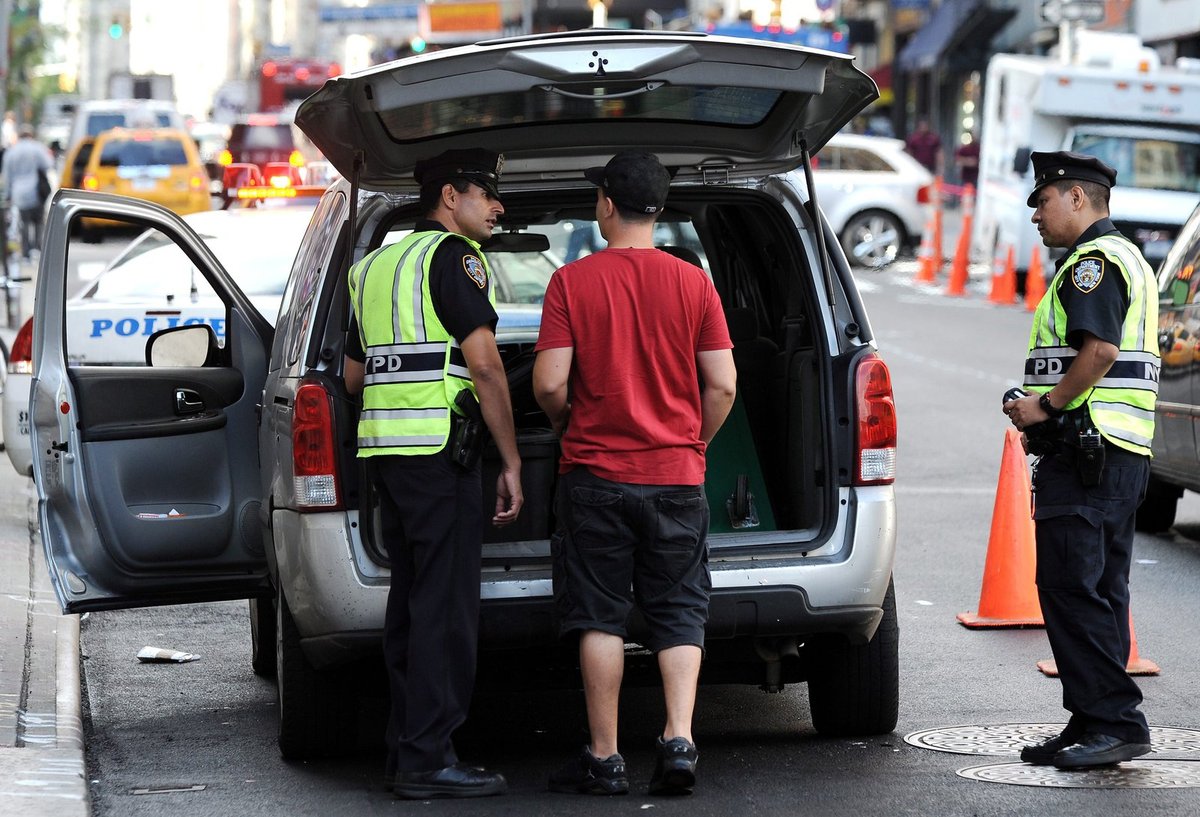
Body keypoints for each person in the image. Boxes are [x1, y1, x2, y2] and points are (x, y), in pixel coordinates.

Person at [533, 151, 737, 796]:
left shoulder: (573, 283)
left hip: (595, 474)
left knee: (600, 614)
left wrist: (570, 424)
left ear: (606, 205)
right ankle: (679, 741)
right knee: (680, 609)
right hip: (677, 475)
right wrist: (690, 442)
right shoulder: (693, 283)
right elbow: (724, 385)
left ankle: (605, 758)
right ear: (660, 207)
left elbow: (548, 383)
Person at [342, 148, 524, 799]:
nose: (498, 206)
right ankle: (428, 757)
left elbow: (355, 376)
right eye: (489, 193)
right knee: (445, 609)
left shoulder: (371, 268)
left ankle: (406, 746)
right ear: (451, 196)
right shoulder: (455, 259)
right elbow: (485, 367)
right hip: (444, 456)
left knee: (411, 606)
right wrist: (510, 457)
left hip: (389, 455)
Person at [1002, 151, 1159, 769]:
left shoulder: (1092, 264)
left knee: (1069, 587)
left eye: (1042, 201)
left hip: (1086, 448)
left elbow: (1099, 352)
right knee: (1100, 589)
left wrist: (1043, 406)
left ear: (1076, 198)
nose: (1035, 215)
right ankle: (1092, 718)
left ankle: (1117, 720)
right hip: (1120, 452)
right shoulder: (1130, 260)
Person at [1, 123, 53, 261]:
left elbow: (7, 175)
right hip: (36, 191)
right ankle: (38, 247)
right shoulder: (37, 148)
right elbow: (48, 164)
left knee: (24, 223)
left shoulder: (11, 151)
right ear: (31, 135)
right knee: (38, 221)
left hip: (19, 193)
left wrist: (8, 194)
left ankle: (26, 251)